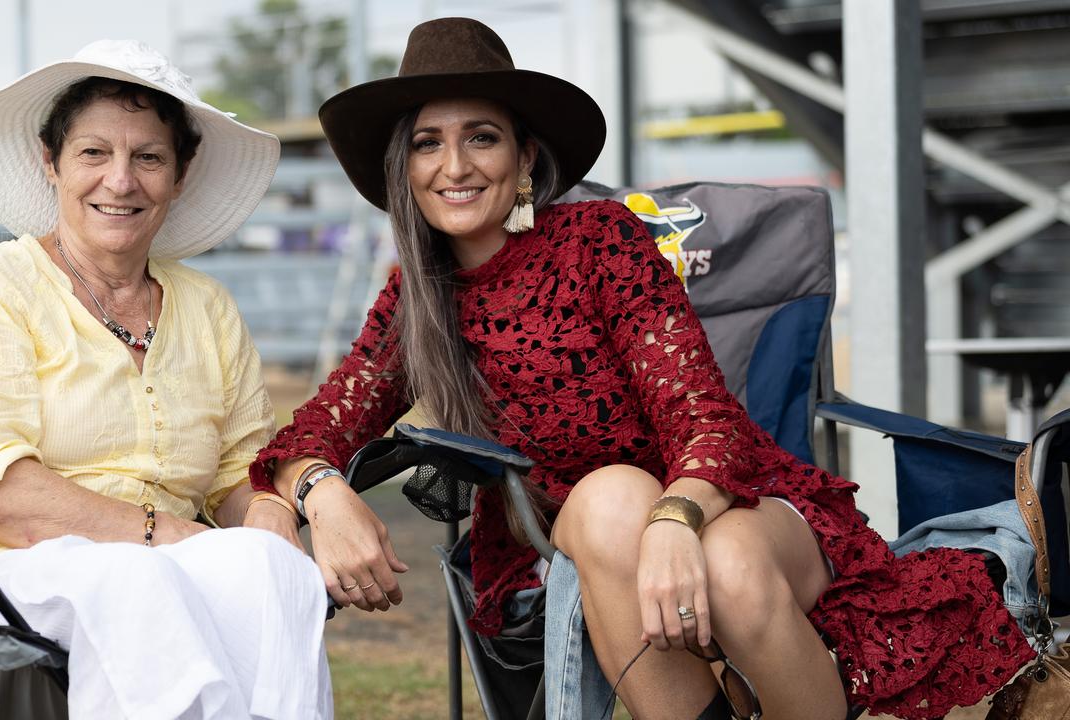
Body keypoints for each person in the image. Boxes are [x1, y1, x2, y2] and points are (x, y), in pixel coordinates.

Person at [249, 17, 1032, 720]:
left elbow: (704, 416)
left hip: (728, 504)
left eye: (481, 136)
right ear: (404, 168)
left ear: (524, 155)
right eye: (428, 142)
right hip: (588, 535)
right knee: (604, 497)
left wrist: (675, 520)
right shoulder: (417, 300)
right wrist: (324, 494)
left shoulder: (601, 242)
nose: (455, 165)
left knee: (711, 558)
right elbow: (311, 433)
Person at [0, 40, 330, 720]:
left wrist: (265, 509)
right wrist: (169, 535)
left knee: (275, 570)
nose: (121, 180)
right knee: (132, 579)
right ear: (49, 163)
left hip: (164, 574)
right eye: (93, 153)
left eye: (148, 157)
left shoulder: (206, 307)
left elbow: (241, 468)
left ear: (179, 176)